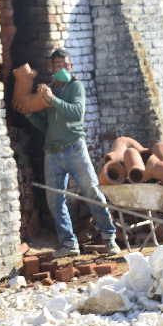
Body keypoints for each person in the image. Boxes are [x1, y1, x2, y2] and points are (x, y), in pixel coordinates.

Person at [24, 49, 120, 258]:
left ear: (70, 67)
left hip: (75, 148)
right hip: (52, 152)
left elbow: (76, 113)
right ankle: (69, 243)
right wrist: (31, 115)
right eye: (56, 65)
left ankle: (109, 237)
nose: (60, 68)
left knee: (92, 192)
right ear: (51, 68)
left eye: (64, 65)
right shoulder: (48, 90)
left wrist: (53, 100)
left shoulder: (75, 87)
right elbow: (46, 125)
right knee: (55, 201)